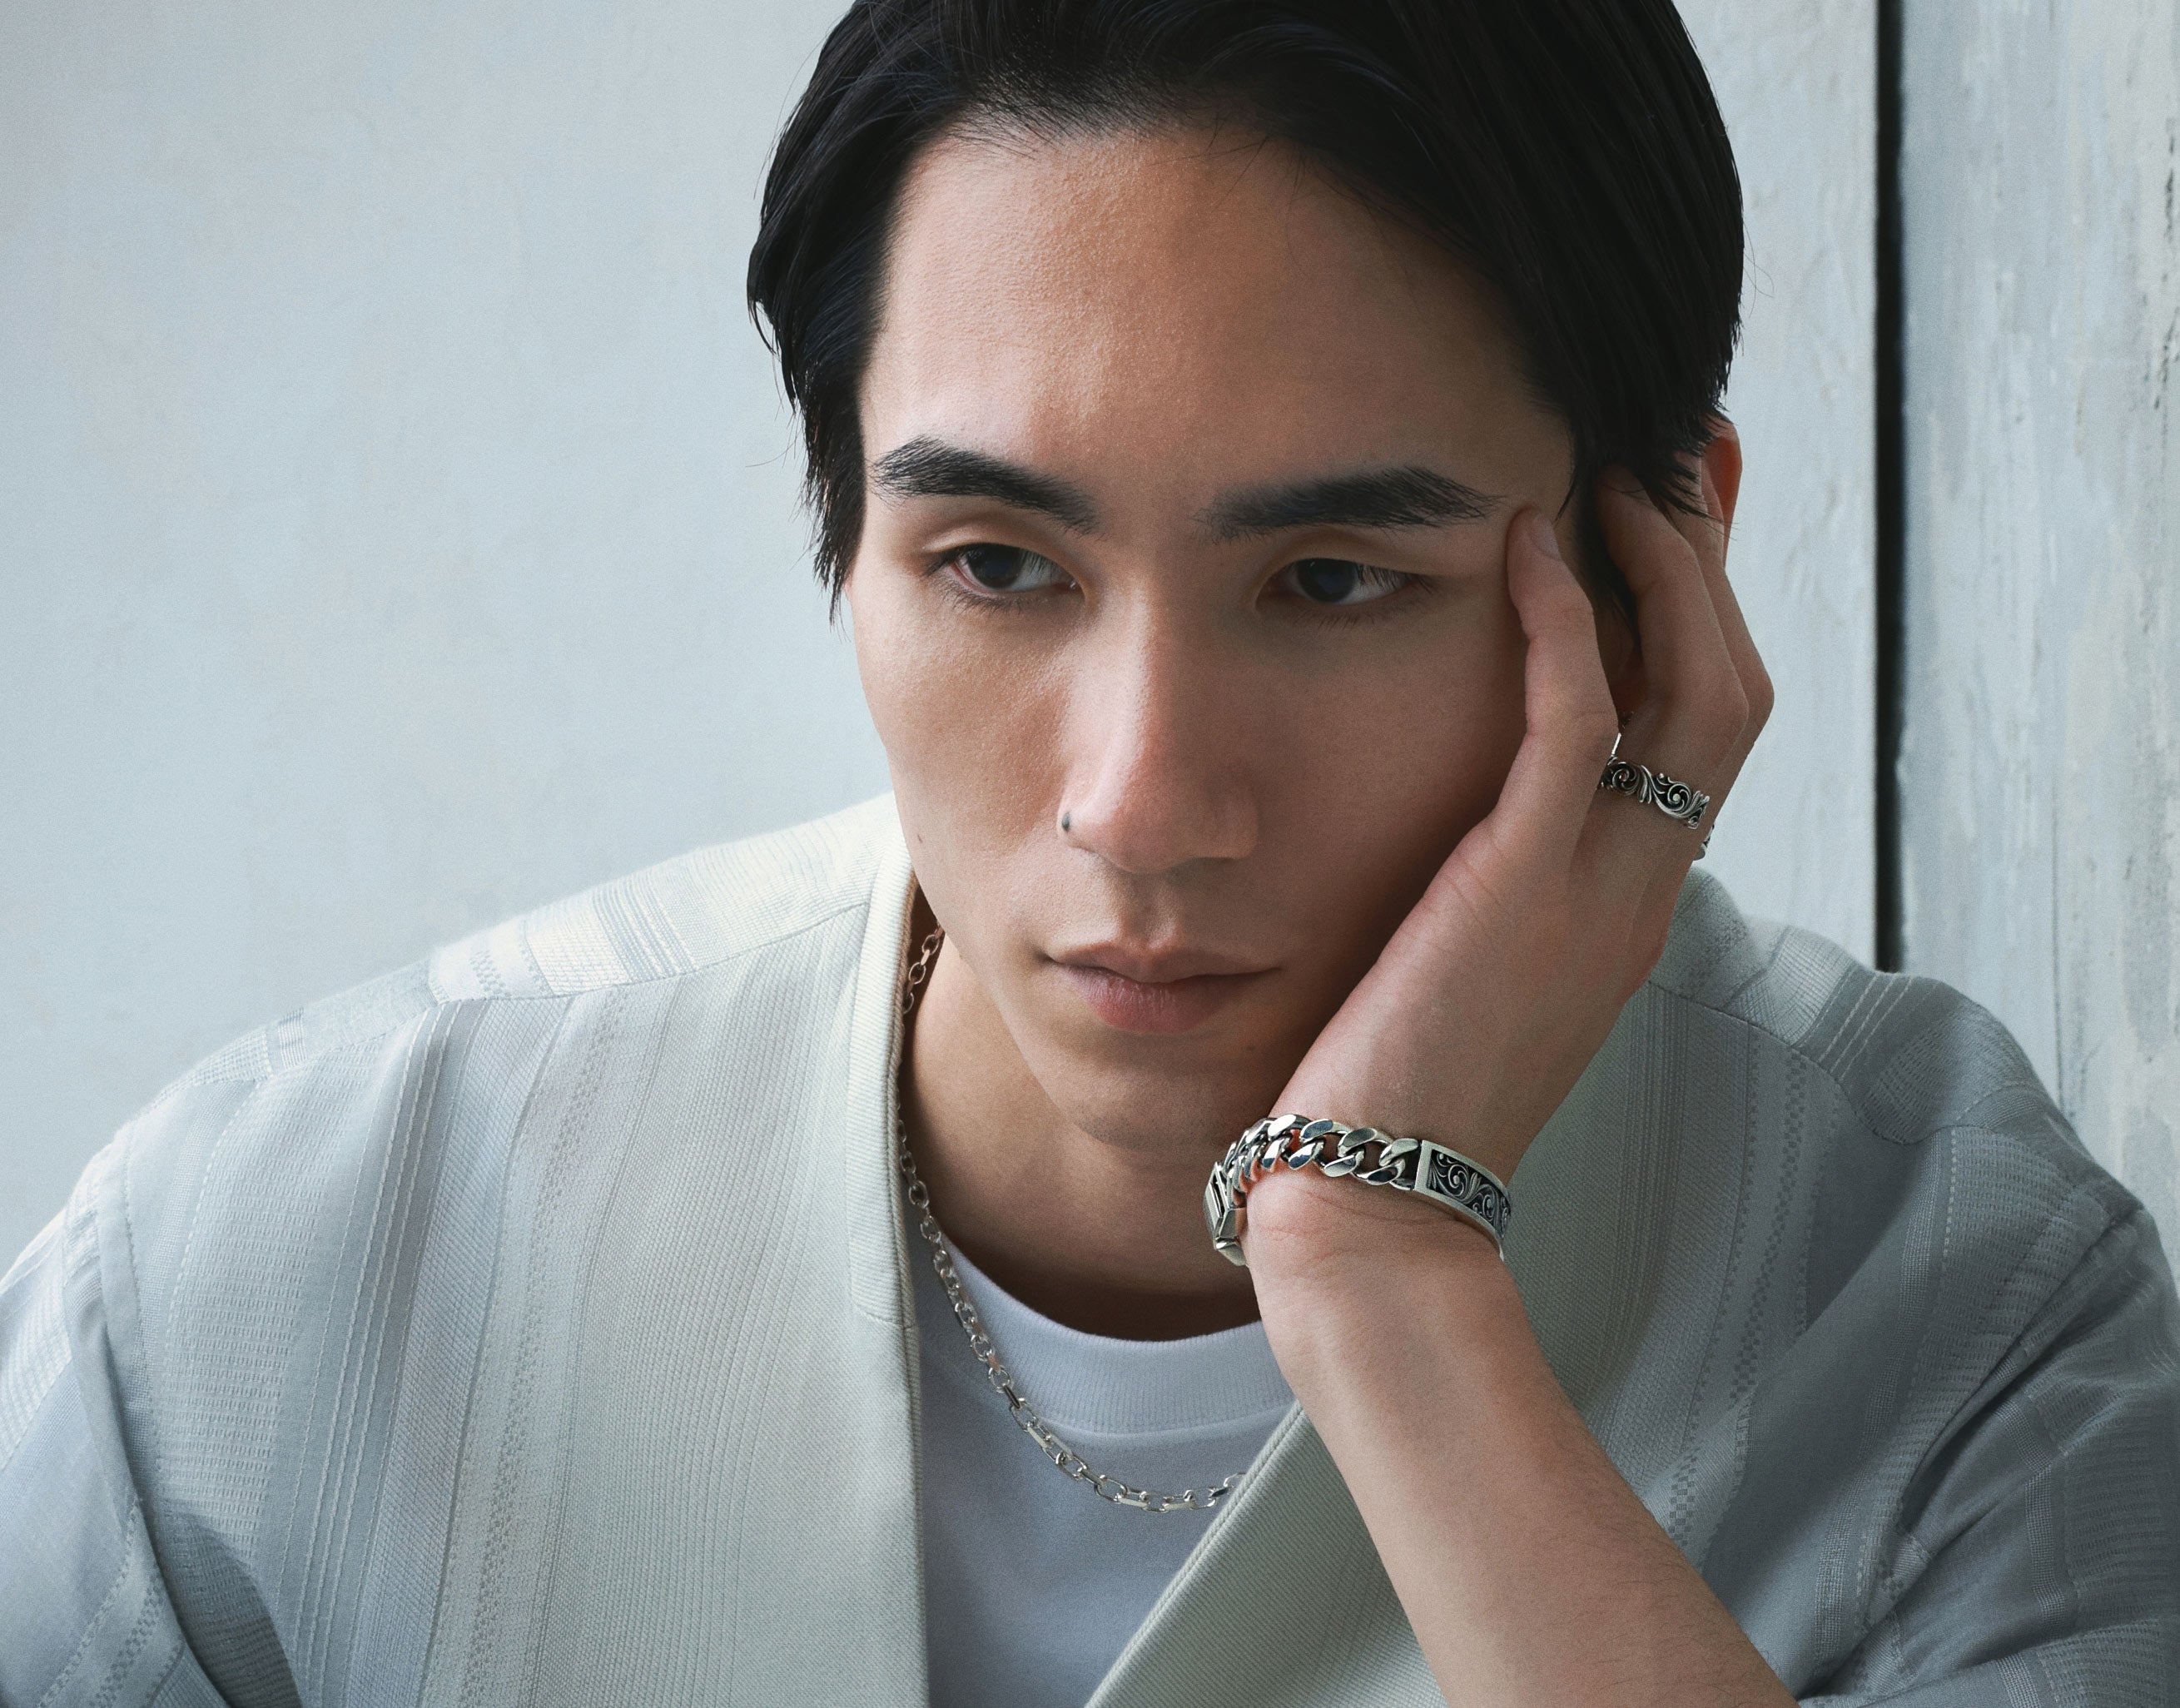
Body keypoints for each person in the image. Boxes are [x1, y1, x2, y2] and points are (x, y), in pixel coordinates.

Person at [4, 1, 2176, 1703]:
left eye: (1332, 579)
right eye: (996, 564)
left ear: (1657, 567)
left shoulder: (1951, 1316)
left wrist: (1384, 1280)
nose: (1137, 800)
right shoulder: (279, 1284)